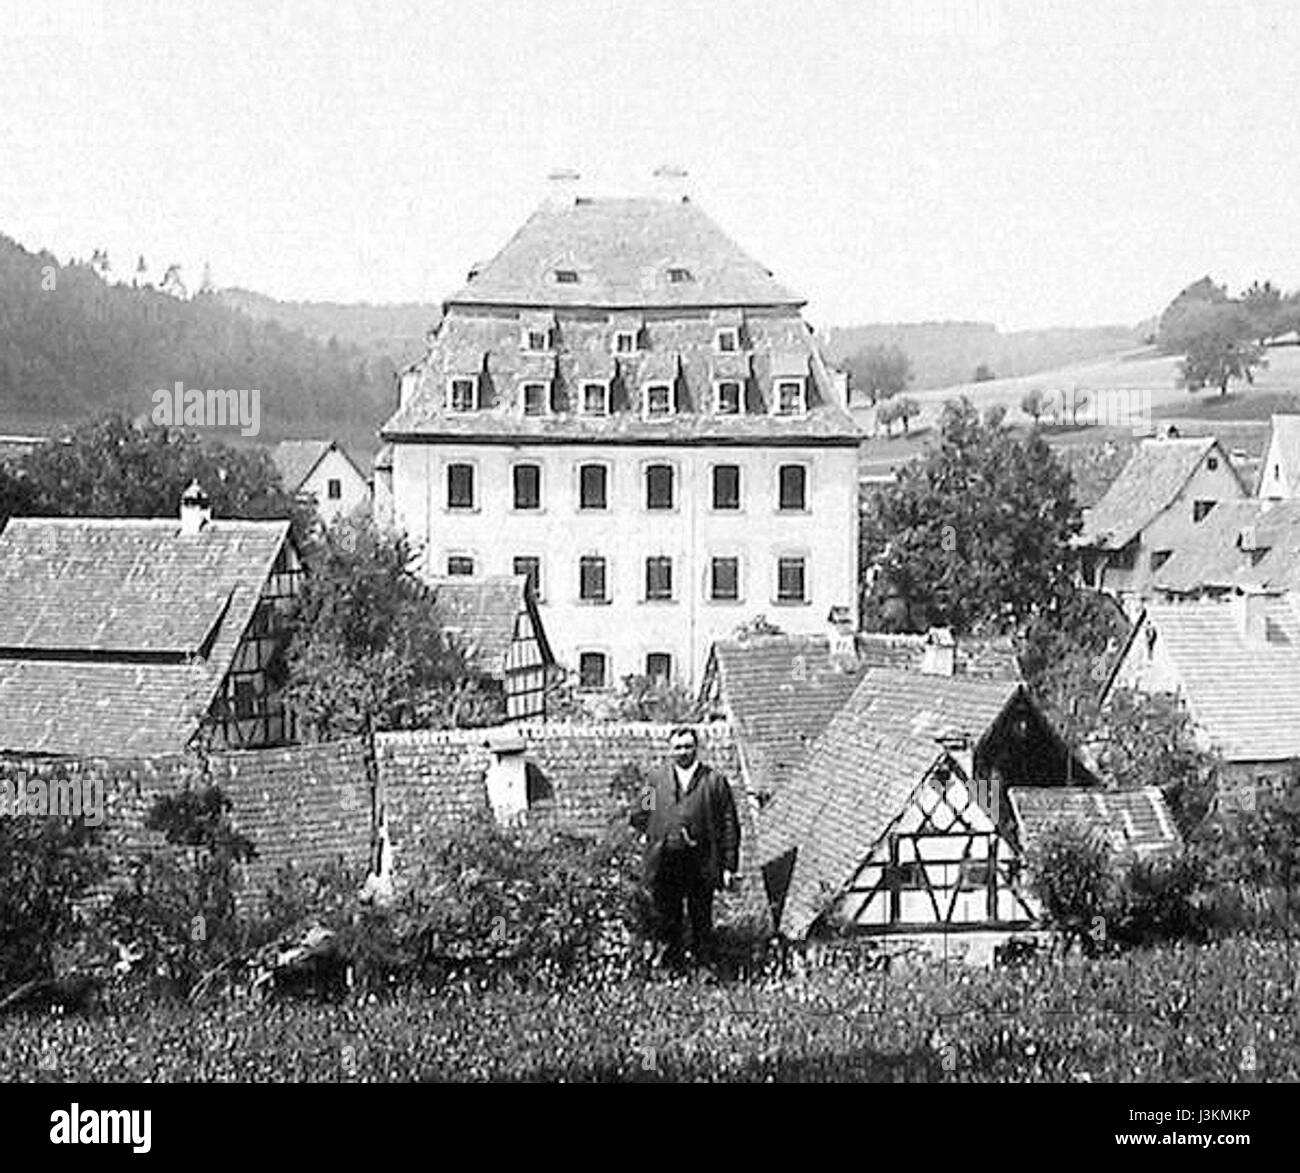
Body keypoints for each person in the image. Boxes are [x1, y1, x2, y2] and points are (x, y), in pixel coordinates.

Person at [639, 726, 740, 971]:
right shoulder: (654, 780)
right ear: (670, 749)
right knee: (667, 918)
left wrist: (728, 866)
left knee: (700, 919)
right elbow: (641, 811)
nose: (682, 752)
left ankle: (703, 969)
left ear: (696, 749)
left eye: (687, 746)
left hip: (701, 864)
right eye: (677, 747)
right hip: (666, 863)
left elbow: (730, 824)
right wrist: (647, 835)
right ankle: (671, 969)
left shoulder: (715, 782)